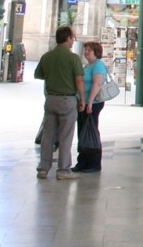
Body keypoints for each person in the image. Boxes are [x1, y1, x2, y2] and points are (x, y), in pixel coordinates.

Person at [34, 26, 84, 180]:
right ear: (68, 38)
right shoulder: (73, 58)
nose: (73, 40)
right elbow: (79, 79)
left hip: (50, 100)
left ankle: (43, 168)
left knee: (48, 135)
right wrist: (82, 98)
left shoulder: (47, 56)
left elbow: (39, 74)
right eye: (72, 38)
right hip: (67, 100)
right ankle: (63, 170)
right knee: (65, 135)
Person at [73, 41, 107, 173]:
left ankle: (93, 163)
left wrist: (90, 102)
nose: (86, 52)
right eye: (85, 50)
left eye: (89, 50)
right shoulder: (88, 65)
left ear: (96, 52)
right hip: (84, 102)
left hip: (93, 103)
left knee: (91, 131)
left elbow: (97, 84)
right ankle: (83, 161)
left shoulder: (98, 65)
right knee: (82, 131)